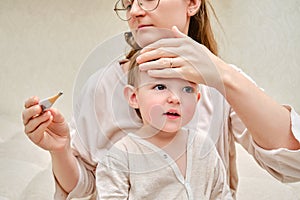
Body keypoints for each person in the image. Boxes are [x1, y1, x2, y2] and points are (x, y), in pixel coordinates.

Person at [22, 0, 300, 199]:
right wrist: (60, 150)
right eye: (128, 3)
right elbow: (86, 189)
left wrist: (223, 75)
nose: (135, 11)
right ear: (132, 98)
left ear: (192, 3)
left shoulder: (222, 83)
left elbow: (292, 165)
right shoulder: (102, 86)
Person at [96, 51, 232, 199]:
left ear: (197, 98)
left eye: (187, 89)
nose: (175, 98)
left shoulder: (204, 148)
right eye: (160, 87)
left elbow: (222, 195)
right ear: (134, 97)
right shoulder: (120, 157)